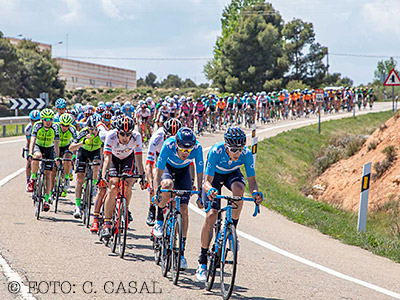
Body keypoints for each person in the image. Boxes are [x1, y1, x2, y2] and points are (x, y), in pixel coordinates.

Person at [195, 127, 263, 282]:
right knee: (212, 215)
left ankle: (232, 231)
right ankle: (202, 260)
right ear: (226, 146)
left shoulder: (246, 154)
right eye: (233, 149)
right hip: (214, 177)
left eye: (240, 149)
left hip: (232, 174)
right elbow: (206, 182)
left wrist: (255, 194)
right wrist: (210, 190)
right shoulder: (216, 151)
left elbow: (252, 182)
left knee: (239, 189)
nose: (237, 153)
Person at [152, 127, 204, 270]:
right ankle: (159, 219)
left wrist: (200, 195)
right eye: (182, 149)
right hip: (167, 168)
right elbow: (158, 171)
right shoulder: (168, 144)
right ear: (176, 144)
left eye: (189, 151)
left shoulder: (197, 148)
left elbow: (200, 174)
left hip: (183, 172)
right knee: (167, 185)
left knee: (184, 209)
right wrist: (157, 192)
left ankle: (181, 253)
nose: (185, 153)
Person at [99, 116, 146, 238]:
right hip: (113, 159)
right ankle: (107, 224)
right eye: (122, 134)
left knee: (128, 183)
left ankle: (125, 207)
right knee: (113, 186)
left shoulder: (137, 137)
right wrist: (104, 175)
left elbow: (139, 158)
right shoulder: (111, 136)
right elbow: (107, 158)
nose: (125, 138)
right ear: (117, 132)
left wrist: (142, 175)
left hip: (128, 159)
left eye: (128, 134)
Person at [145, 118, 182, 227]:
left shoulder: (183, 138)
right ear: (164, 134)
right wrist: (150, 182)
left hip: (174, 160)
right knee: (154, 181)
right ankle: (152, 208)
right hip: (159, 158)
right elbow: (149, 163)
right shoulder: (156, 138)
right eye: (169, 137)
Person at [26, 108, 60, 212]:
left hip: (49, 149)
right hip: (38, 146)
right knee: (37, 156)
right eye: (46, 119)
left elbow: (56, 144)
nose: (48, 121)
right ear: (42, 119)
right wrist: (30, 153)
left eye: (50, 119)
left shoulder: (55, 127)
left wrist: (57, 156)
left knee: (48, 175)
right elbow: (32, 140)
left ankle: (46, 200)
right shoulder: (37, 126)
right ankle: (32, 178)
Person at [69, 116, 102, 218]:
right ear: (87, 128)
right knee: (79, 179)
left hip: (95, 153)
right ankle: (78, 206)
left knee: (96, 165)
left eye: (96, 129)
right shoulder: (83, 133)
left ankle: (94, 186)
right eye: (91, 129)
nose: (94, 132)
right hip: (83, 152)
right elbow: (71, 148)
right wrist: (82, 142)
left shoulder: (102, 134)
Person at [56, 113, 77, 197]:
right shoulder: (55, 127)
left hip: (66, 147)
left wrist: (74, 156)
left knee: (67, 159)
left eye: (67, 125)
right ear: (60, 123)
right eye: (63, 125)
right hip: (56, 146)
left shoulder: (72, 129)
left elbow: (75, 144)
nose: (64, 127)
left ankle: (66, 177)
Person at [24, 110, 41, 189]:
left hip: (41, 144)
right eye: (32, 120)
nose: (34, 122)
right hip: (32, 144)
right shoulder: (28, 128)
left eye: (37, 121)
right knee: (29, 162)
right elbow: (29, 142)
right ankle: (28, 181)